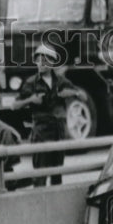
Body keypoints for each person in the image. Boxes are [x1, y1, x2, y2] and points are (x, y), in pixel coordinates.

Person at [12, 43, 80, 186]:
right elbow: (14, 105)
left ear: (53, 62)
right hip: (41, 132)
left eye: (45, 60)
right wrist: (31, 99)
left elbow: (81, 95)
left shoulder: (61, 81)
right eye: (38, 60)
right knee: (40, 175)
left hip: (58, 130)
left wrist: (71, 93)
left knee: (57, 175)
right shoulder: (31, 83)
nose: (41, 64)